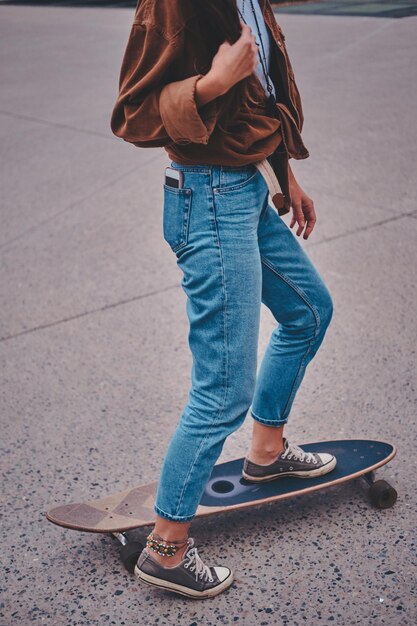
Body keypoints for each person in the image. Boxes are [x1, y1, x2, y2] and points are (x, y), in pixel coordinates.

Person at [110, 0, 336, 599]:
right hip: (207, 197)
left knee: (309, 311)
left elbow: (261, 95)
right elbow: (133, 114)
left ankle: (265, 450)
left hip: (245, 189)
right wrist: (212, 82)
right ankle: (167, 548)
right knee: (221, 389)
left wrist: (284, 172)